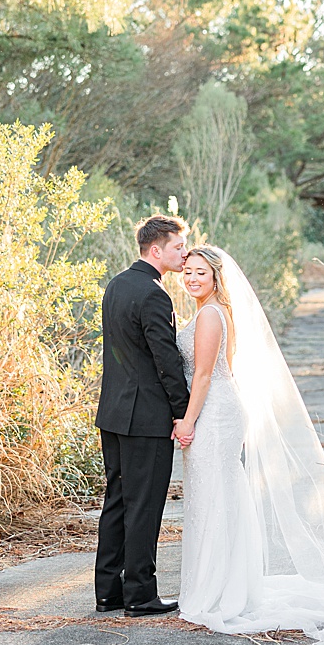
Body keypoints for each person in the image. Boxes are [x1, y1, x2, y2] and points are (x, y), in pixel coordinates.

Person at [172, 246, 324, 645]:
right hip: (215, 407)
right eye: (187, 272)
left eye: (200, 273)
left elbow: (206, 374)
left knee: (215, 496)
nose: (191, 279)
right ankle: (224, 586)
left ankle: (218, 593)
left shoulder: (210, 315)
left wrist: (188, 420)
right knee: (214, 495)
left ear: (216, 278)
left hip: (213, 411)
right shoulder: (207, 311)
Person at [93, 215, 190, 617]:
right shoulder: (153, 294)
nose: (184, 253)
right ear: (157, 250)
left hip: (113, 415)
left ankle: (108, 591)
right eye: (178, 247)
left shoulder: (116, 285)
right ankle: (141, 595)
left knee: (116, 500)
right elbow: (164, 360)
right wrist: (184, 412)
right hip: (145, 419)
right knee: (144, 506)